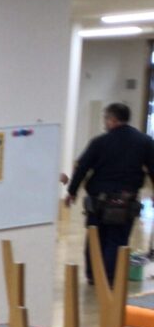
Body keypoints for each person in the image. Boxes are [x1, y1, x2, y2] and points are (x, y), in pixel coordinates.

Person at [65, 102, 154, 283]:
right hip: (125, 202)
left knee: (95, 238)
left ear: (112, 119)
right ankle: (109, 278)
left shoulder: (99, 142)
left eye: (106, 118)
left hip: (98, 201)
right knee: (118, 240)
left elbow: (82, 168)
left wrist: (72, 191)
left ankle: (93, 276)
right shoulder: (144, 142)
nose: (105, 122)